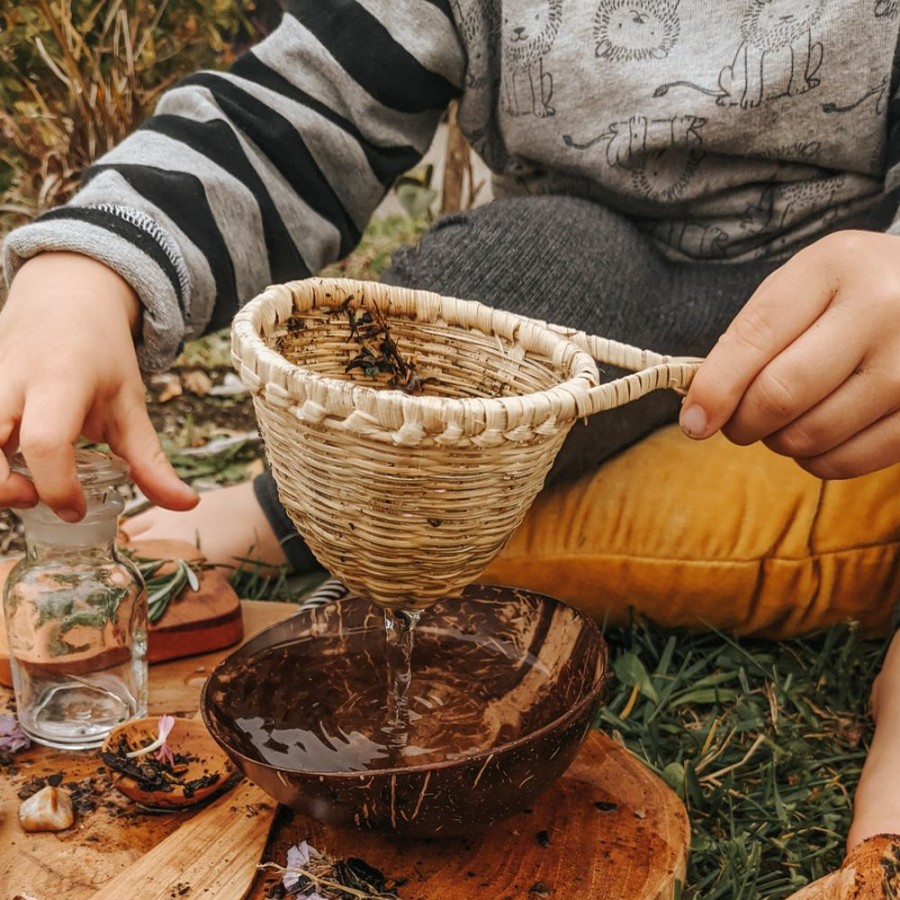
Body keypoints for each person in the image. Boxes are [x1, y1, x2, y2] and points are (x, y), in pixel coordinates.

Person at [1, 0, 899, 852]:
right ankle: (287, 510)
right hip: (585, 284)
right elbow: (291, 116)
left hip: (840, 309)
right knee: (483, 288)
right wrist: (85, 269)